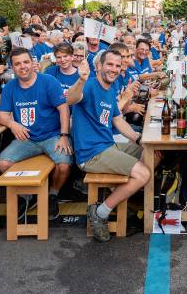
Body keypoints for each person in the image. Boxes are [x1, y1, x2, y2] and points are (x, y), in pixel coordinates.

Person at [66, 50, 151, 241]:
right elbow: (70, 99)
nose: (114, 69)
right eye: (109, 64)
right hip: (91, 154)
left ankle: (120, 193)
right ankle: (101, 212)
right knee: (143, 173)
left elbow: (118, 121)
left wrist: (139, 139)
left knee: (154, 152)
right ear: (99, 66)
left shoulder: (110, 89)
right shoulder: (88, 85)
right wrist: (80, 79)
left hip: (108, 146)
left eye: (117, 66)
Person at [0, 48, 72, 220]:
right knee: (3, 163)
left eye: (25, 62)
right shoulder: (10, 87)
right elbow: (1, 115)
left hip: (52, 135)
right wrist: (11, 123)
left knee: (64, 165)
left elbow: (63, 109)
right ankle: (26, 196)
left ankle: (53, 194)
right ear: (12, 68)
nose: (22, 67)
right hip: (27, 139)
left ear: (32, 63)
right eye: (17, 64)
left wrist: (64, 136)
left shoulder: (48, 81)